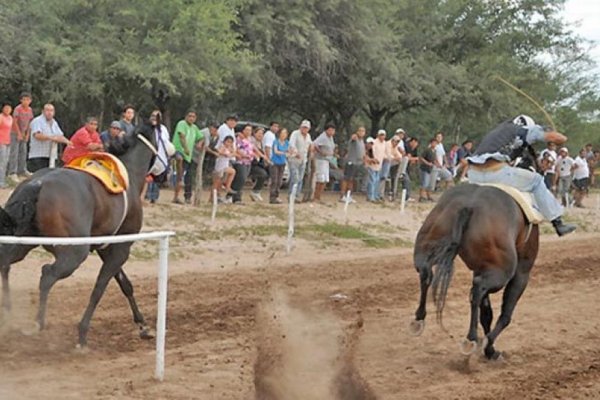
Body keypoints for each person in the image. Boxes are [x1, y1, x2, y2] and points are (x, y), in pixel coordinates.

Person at [467, 115, 575, 236]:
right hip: (496, 173)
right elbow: (557, 139)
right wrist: (559, 136)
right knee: (537, 181)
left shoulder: (497, 131)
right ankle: (558, 223)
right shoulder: (525, 130)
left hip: (473, 175)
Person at [172, 110, 204, 204]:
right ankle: (175, 196)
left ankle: (187, 197)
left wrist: (199, 143)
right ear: (186, 116)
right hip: (179, 151)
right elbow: (181, 136)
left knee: (188, 177)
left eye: (193, 117)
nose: (191, 118)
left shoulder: (194, 128)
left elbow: (201, 137)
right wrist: (185, 148)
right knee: (179, 170)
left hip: (188, 156)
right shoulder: (181, 123)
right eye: (190, 116)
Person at [28, 103, 71, 172]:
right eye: (47, 110)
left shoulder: (54, 122)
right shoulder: (37, 121)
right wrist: (51, 138)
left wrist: (67, 142)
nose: (49, 112)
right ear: (43, 111)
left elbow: (60, 135)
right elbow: (37, 135)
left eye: (51, 110)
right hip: (38, 155)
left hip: (51, 156)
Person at [145, 110, 173, 204]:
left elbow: (166, 142)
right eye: (153, 115)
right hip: (149, 154)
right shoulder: (147, 128)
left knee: (157, 176)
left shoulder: (163, 129)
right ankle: (147, 195)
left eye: (157, 116)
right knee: (148, 176)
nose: (154, 117)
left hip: (161, 155)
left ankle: (154, 197)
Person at [8, 93, 33, 182]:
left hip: (24, 132)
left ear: (30, 101)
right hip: (15, 132)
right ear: (21, 100)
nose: (26, 101)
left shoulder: (30, 110)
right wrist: (18, 133)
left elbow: (30, 122)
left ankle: (22, 170)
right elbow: (14, 121)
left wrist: (27, 134)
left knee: (23, 151)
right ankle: (12, 172)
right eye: (24, 99)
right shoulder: (18, 109)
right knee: (15, 152)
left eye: (28, 100)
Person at [339, 126, 366, 203]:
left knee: (352, 180)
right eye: (360, 131)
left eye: (363, 131)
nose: (361, 132)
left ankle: (349, 195)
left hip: (357, 163)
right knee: (346, 179)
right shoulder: (355, 139)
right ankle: (342, 195)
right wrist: (353, 137)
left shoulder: (362, 141)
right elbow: (353, 139)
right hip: (351, 162)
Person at [288, 119, 313, 201]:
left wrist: (311, 150)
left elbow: (310, 145)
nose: (305, 129)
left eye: (306, 128)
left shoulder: (308, 136)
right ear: (300, 127)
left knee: (300, 178)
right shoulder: (295, 133)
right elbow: (291, 144)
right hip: (294, 159)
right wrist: (296, 152)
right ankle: (291, 195)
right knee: (295, 177)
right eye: (303, 127)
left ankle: (297, 195)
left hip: (303, 160)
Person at [230, 124, 254, 203]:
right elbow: (236, 148)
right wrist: (244, 155)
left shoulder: (250, 139)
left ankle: (236, 196)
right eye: (246, 130)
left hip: (248, 162)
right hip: (241, 161)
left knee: (243, 180)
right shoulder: (239, 138)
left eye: (250, 130)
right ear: (243, 130)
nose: (248, 132)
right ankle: (235, 197)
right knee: (241, 178)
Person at [313, 123, 336, 202]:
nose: (331, 132)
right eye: (330, 130)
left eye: (333, 130)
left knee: (326, 179)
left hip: (327, 160)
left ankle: (319, 196)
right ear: (326, 130)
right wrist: (321, 152)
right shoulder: (323, 137)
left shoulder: (331, 138)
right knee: (320, 178)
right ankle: (316, 196)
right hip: (320, 160)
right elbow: (315, 144)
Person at [212, 135, 237, 202]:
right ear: (224, 141)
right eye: (227, 142)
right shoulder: (222, 147)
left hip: (225, 166)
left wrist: (231, 151)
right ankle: (226, 187)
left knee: (232, 172)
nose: (228, 143)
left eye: (230, 142)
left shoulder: (229, 148)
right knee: (217, 183)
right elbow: (219, 152)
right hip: (220, 166)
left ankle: (227, 187)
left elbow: (235, 153)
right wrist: (224, 154)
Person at [249, 127, 269, 202]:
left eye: (262, 133)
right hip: (251, 162)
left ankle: (256, 191)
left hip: (259, 163)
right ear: (254, 133)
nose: (261, 135)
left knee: (266, 173)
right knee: (263, 174)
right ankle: (255, 191)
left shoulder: (261, 143)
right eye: (259, 133)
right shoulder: (252, 141)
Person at [269, 128, 289, 204]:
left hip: (282, 163)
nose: (283, 135)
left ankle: (277, 195)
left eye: (285, 133)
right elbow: (276, 151)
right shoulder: (276, 142)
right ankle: (272, 197)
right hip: (275, 162)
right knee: (275, 180)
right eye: (282, 133)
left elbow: (290, 150)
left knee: (280, 181)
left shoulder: (287, 142)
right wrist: (285, 153)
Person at [419, 138, 438, 202]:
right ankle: (421, 196)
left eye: (435, 143)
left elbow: (434, 159)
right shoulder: (427, 150)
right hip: (425, 168)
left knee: (430, 183)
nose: (434, 144)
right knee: (425, 183)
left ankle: (428, 196)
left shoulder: (434, 151)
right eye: (433, 143)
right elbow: (421, 157)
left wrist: (438, 164)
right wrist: (427, 163)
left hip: (431, 169)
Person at [0, 103, 13, 188]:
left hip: (8, 141)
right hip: (1, 141)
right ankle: (1, 181)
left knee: (6, 161)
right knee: (2, 162)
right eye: (6, 108)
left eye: (9, 108)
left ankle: (3, 179)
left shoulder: (10, 118)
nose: (7, 110)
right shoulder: (1, 117)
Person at [364, 137, 381, 202]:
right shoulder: (364, 149)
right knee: (372, 180)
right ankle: (370, 196)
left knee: (375, 180)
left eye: (371, 143)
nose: (370, 145)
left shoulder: (371, 151)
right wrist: (372, 160)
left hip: (370, 167)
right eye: (369, 143)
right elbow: (365, 158)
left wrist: (373, 160)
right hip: (366, 167)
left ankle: (374, 195)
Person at [372, 130, 387, 201]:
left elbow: (384, 153)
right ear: (378, 135)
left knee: (377, 181)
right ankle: (371, 196)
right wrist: (374, 159)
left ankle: (376, 195)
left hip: (380, 165)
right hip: (373, 164)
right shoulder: (374, 142)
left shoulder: (384, 143)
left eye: (383, 135)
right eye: (381, 135)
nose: (382, 136)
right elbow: (372, 152)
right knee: (373, 180)